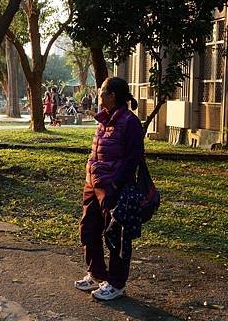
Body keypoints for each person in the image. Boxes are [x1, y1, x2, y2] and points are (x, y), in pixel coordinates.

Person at [74, 76, 143, 301]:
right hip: (93, 184)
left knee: (115, 235)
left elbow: (134, 158)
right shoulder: (103, 120)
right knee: (88, 228)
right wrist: (90, 175)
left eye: (102, 91)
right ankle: (96, 274)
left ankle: (116, 283)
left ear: (112, 95)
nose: (99, 95)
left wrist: (114, 183)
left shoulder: (129, 122)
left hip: (114, 186)